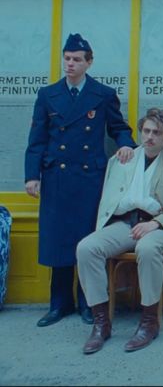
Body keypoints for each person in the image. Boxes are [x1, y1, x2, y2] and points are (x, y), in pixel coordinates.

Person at [24, 33, 135, 327]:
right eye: (67, 58)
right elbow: (37, 139)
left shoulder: (102, 94)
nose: (70, 64)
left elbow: (119, 127)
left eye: (76, 59)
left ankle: (90, 303)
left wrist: (127, 144)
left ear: (89, 62)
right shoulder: (48, 95)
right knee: (59, 241)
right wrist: (32, 176)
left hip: (89, 179)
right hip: (57, 177)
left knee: (87, 241)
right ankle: (59, 304)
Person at [76, 108, 163, 354]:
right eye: (146, 131)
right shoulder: (125, 158)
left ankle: (149, 321)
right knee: (87, 248)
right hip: (126, 223)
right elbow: (112, 200)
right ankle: (101, 323)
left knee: (147, 248)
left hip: (160, 225)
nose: (150, 137)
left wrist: (155, 223)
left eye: (157, 132)